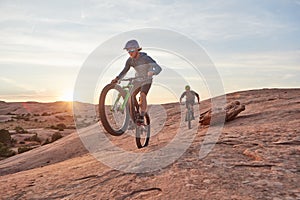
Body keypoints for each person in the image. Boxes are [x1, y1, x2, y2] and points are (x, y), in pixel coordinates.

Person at [111, 39, 162, 124]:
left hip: (147, 80)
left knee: (142, 94)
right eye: (128, 50)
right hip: (137, 79)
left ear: (137, 49)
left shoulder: (145, 58)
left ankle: (142, 116)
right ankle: (135, 113)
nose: (129, 52)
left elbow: (158, 68)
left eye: (131, 50)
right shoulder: (130, 60)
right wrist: (117, 78)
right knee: (131, 94)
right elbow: (124, 71)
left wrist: (152, 72)